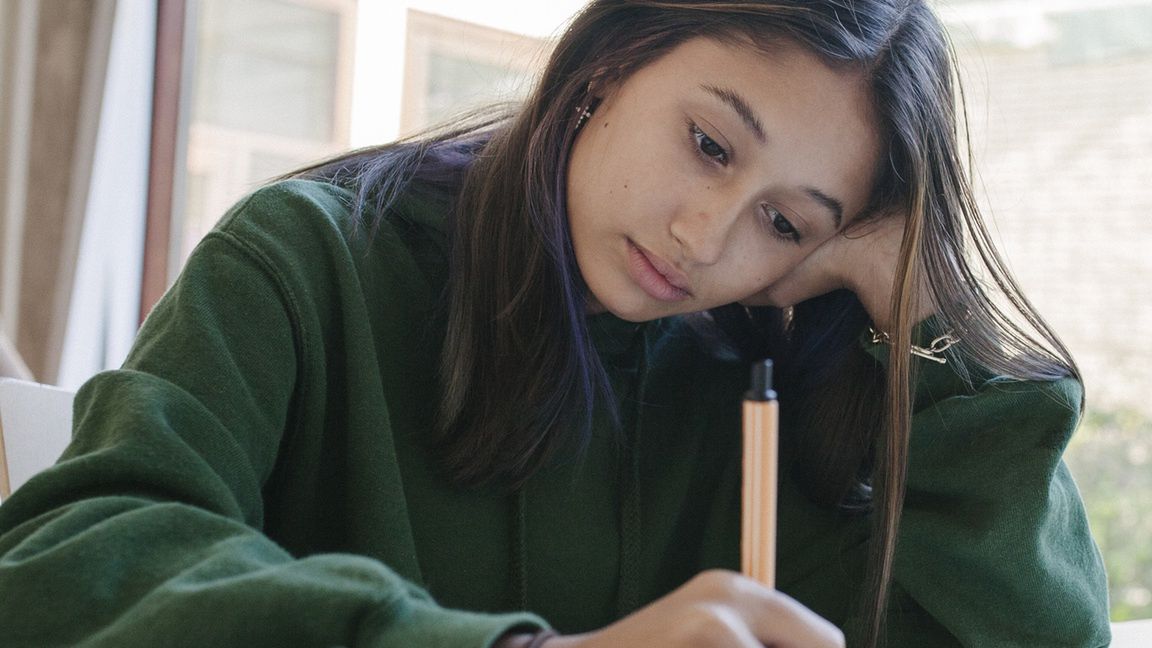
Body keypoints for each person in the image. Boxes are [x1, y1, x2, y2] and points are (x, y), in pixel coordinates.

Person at [0, 1, 1110, 646]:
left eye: (784, 221)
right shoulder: (307, 260)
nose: (703, 236)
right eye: (709, 145)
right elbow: (61, 565)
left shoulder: (772, 381)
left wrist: (930, 308)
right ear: (615, 62)